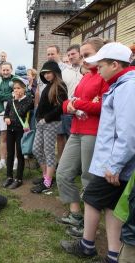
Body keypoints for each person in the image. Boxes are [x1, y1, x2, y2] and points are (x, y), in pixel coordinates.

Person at [61, 42, 135, 263]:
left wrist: (115, 164)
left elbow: (128, 131)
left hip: (116, 163)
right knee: (111, 205)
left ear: (115, 64)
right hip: (115, 161)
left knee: (92, 198)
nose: (98, 69)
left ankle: (87, 245)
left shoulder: (128, 87)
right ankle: (113, 256)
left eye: (101, 65)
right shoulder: (120, 84)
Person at [56, 37, 109, 236]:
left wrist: (77, 104)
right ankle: (76, 214)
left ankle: (89, 227)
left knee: (88, 178)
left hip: (93, 132)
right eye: (83, 55)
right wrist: (70, 105)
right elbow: (69, 101)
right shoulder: (86, 76)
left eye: (88, 55)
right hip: (77, 130)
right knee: (62, 173)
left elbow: (103, 106)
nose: (84, 59)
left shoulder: (104, 77)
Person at [31, 60, 68, 194]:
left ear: (55, 72)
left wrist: (46, 119)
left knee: (49, 152)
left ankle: (47, 183)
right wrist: (39, 119)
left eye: (49, 72)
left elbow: (61, 107)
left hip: (51, 123)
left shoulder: (60, 86)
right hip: (41, 123)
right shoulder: (48, 85)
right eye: (44, 73)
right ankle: (46, 176)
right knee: (36, 149)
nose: (46, 75)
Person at [2, 77, 33, 189]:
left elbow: (22, 112)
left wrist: (16, 99)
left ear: (24, 88)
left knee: (19, 154)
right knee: (10, 153)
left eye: (18, 88)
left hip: (21, 130)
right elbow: (6, 113)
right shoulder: (11, 101)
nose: (16, 90)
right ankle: (9, 176)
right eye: (14, 88)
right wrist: (6, 118)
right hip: (10, 129)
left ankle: (19, 178)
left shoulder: (29, 100)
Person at [0, 62, 16, 171]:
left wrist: (10, 95)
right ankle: (2, 161)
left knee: (15, 135)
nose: (5, 72)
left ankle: (16, 160)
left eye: (7, 70)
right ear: (0, 70)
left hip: (15, 111)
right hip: (2, 111)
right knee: (4, 136)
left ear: (11, 69)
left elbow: (18, 93)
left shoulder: (16, 79)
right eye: (4, 70)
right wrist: (10, 95)